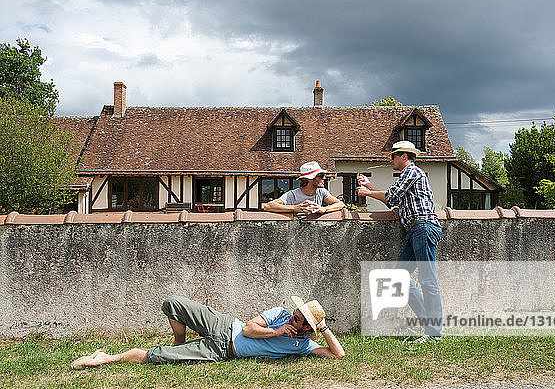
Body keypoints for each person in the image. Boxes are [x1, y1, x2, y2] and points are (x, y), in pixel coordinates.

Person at [71, 295, 344, 369]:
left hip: (223, 350)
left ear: (307, 327)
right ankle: (179, 340)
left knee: (159, 357)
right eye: (295, 313)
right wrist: (275, 332)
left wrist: (325, 329)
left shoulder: (303, 346)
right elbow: (249, 329)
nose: (293, 317)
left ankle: (105, 358)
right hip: (225, 325)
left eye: (299, 319)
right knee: (173, 304)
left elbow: (337, 355)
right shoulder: (279, 314)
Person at [357, 141, 443, 342]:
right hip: (415, 230)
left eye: (393, 156)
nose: (391, 160)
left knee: (428, 281)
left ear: (404, 156)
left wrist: (367, 193)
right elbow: (392, 200)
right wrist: (369, 186)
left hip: (423, 227)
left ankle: (434, 333)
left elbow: (392, 196)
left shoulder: (412, 172)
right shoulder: (408, 176)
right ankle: (429, 326)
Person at [264, 161, 344, 216]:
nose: (324, 178)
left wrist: (323, 209)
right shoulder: (293, 195)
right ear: (310, 179)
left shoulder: (322, 192)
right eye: (321, 176)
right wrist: (294, 208)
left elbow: (340, 204)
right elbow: (268, 206)